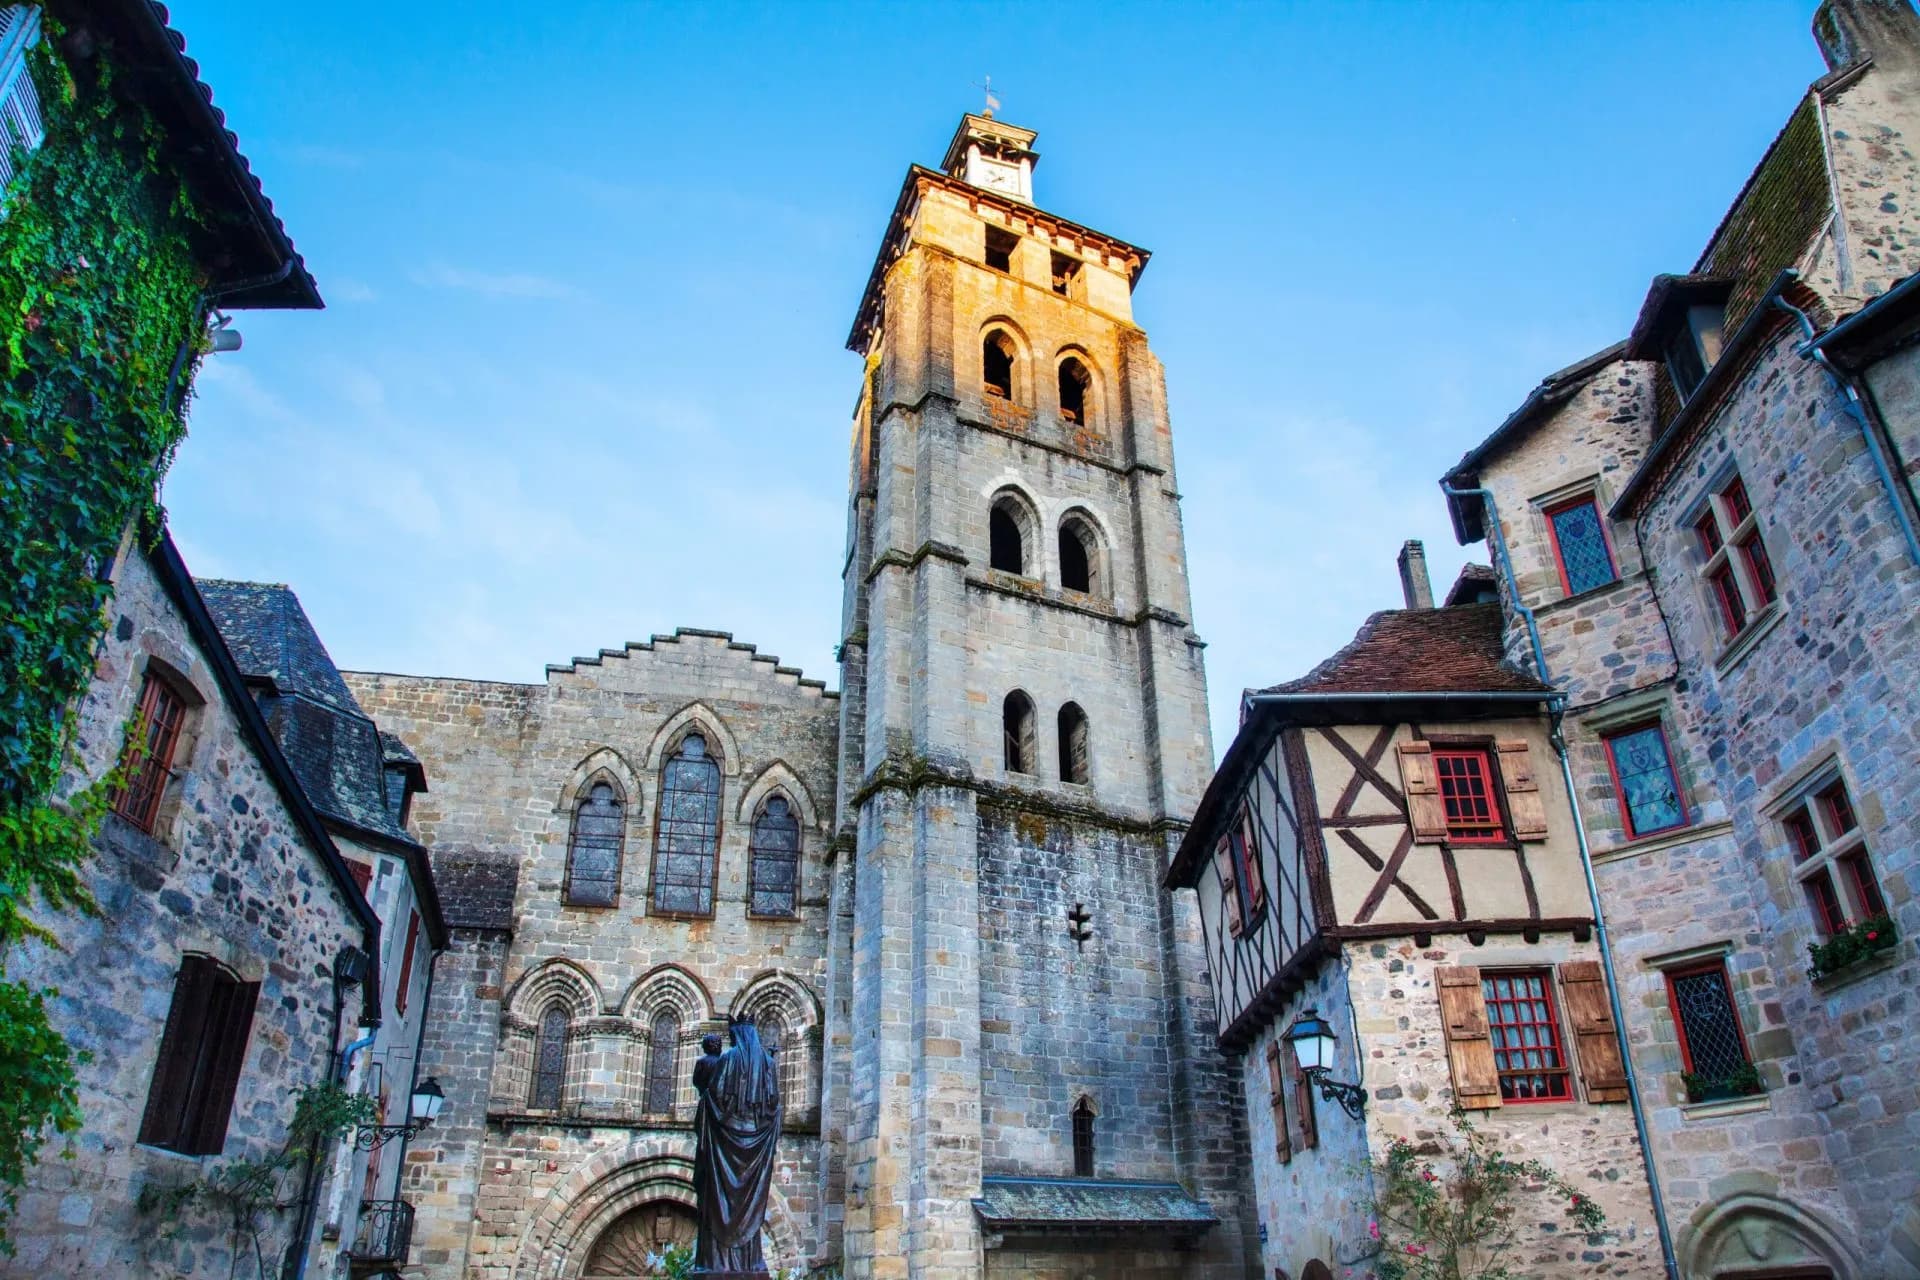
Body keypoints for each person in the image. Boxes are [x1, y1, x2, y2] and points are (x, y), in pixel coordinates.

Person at [691, 1018, 782, 1275]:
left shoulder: (727, 1060)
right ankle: (748, 1262)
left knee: (718, 1201)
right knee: (749, 1205)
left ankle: (718, 1263)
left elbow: (714, 1096)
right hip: (756, 1148)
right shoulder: (767, 1063)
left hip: (723, 1148)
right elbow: (774, 1103)